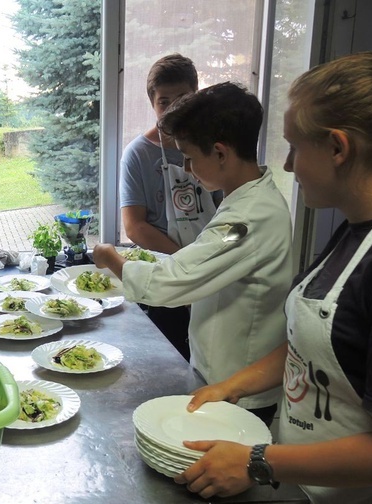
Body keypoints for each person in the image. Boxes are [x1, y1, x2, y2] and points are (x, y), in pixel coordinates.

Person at [174, 52, 372, 503]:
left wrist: (259, 462)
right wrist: (233, 385)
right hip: (297, 483)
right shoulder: (356, 231)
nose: (289, 166)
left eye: (295, 147)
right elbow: (315, 345)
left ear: (338, 148)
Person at [95, 82, 295, 426]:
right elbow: (197, 263)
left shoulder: (250, 216)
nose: (186, 170)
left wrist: (110, 258)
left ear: (220, 153)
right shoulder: (244, 200)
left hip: (238, 391)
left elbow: (169, 283)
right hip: (219, 375)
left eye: (189, 159)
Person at [119, 54, 221, 361]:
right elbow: (135, 226)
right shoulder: (138, 154)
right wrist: (186, 261)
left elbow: (225, 208)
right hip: (165, 275)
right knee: (168, 359)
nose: (174, 109)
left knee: (206, 360)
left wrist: (205, 265)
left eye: (183, 99)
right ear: (152, 103)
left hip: (211, 271)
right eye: (164, 102)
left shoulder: (213, 147)